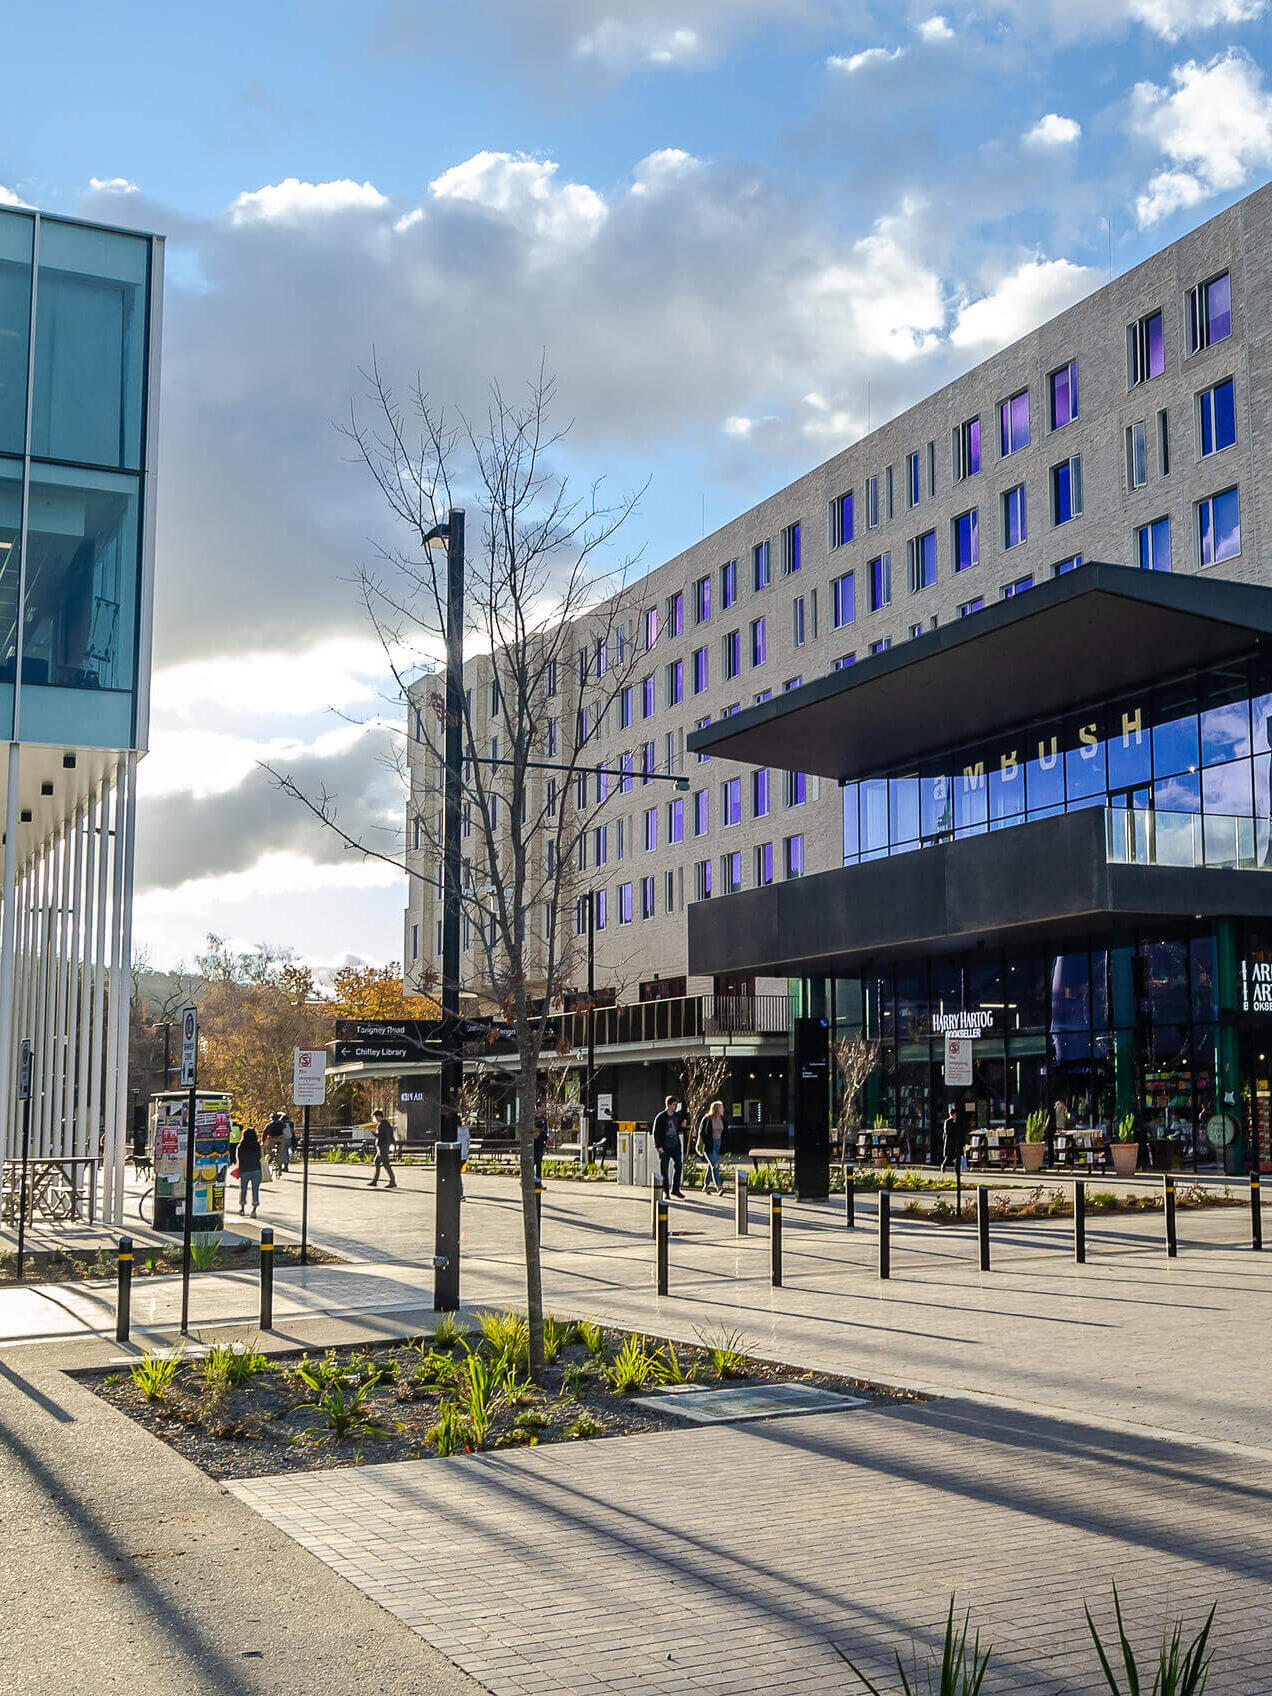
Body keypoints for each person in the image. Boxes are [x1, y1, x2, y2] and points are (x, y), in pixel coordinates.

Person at [652, 1094, 684, 1199]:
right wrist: (658, 1146)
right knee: (664, 1170)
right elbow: (656, 1132)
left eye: (676, 1105)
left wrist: (683, 1126)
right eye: (674, 1105)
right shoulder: (661, 1117)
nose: (675, 1107)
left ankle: (675, 1189)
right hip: (665, 1147)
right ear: (669, 1105)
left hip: (675, 1145)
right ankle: (666, 1191)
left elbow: (679, 1128)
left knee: (678, 1165)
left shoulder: (677, 1116)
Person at [697, 1099, 726, 1195]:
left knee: (712, 1166)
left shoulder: (723, 1119)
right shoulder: (707, 1119)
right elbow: (702, 1133)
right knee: (715, 1165)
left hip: (719, 1143)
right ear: (716, 1109)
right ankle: (719, 1187)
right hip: (709, 1145)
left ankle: (705, 1186)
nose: (723, 1110)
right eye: (722, 1108)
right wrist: (707, 1142)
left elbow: (725, 1133)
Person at [236, 1126, 263, 1218]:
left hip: (244, 1170)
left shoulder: (241, 1146)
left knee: (243, 1190)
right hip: (256, 1169)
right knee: (255, 1190)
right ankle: (254, 1211)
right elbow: (260, 1157)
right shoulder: (257, 1146)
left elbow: (239, 1158)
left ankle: (242, 1209)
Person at [368, 1109, 398, 1188]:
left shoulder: (382, 1125)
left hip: (382, 1146)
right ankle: (375, 1180)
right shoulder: (385, 1124)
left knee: (386, 1164)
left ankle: (392, 1181)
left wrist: (373, 1132)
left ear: (378, 1116)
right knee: (377, 1161)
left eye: (375, 1117)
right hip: (382, 1146)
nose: (375, 1119)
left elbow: (380, 1136)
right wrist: (394, 1145)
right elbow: (391, 1136)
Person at [940, 1105, 964, 1172]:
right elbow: (946, 1131)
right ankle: (943, 1166)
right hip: (949, 1142)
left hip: (955, 1142)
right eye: (954, 1114)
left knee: (956, 1157)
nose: (955, 1116)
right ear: (952, 1115)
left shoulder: (956, 1122)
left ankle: (957, 1170)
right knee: (948, 1156)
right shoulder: (947, 1121)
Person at [457, 1118, 471, 1200]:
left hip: (456, 1154)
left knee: (455, 1175)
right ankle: (460, 1193)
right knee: (457, 1174)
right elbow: (468, 1142)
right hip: (463, 1156)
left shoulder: (453, 1130)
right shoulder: (466, 1130)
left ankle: (459, 1193)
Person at [533, 1109, 548, 1182]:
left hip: (541, 1143)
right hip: (534, 1143)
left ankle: (538, 1180)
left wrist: (546, 1140)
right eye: (542, 1106)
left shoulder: (544, 1119)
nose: (543, 1108)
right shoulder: (533, 1118)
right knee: (533, 1161)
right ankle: (527, 1179)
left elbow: (545, 1131)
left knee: (539, 1162)